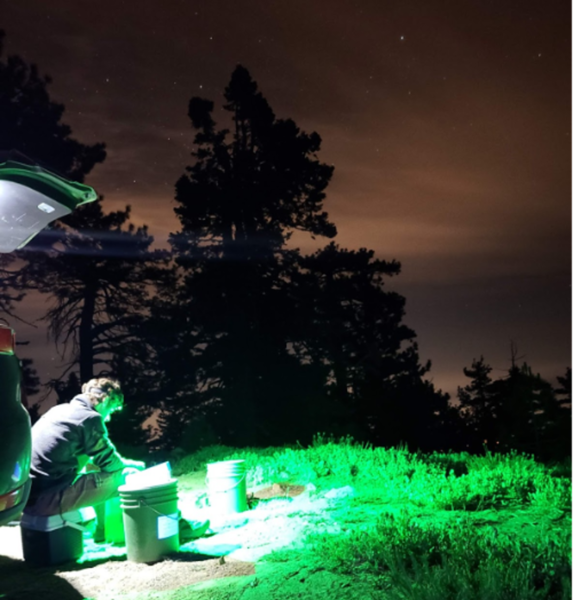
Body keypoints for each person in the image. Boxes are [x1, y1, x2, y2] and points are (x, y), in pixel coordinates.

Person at [24, 377, 146, 540]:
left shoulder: (60, 410)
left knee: (95, 468)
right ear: (106, 400)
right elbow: (110, 463)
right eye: (112, 409)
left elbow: (95, 458)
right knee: (128, 476)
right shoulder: (89, 418)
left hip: (29, 496)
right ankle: (160, 526)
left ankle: (102, 532)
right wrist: (137, 467)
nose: (109, 417)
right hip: (47, 499)